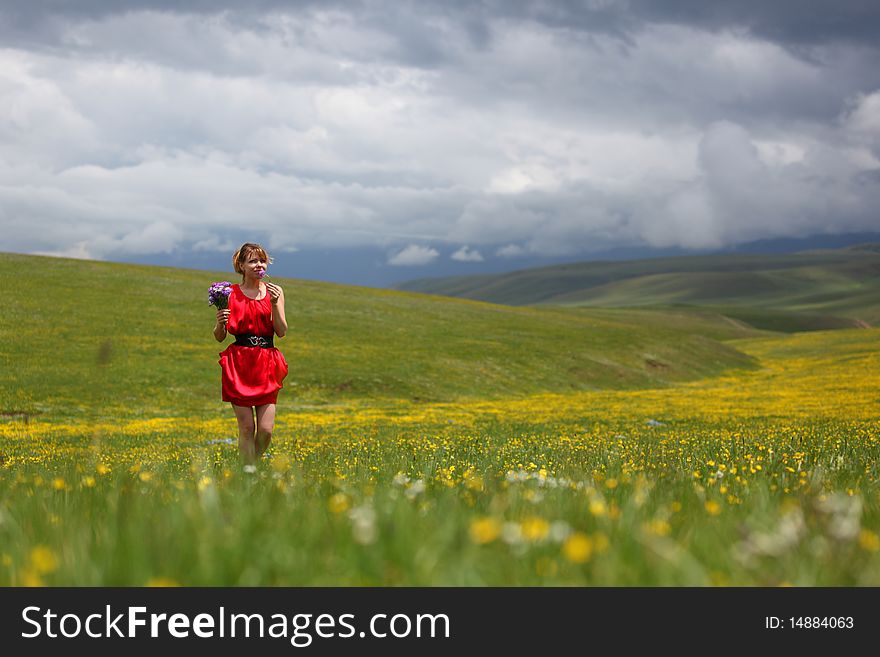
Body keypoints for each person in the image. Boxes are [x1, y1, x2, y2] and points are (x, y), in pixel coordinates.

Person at [214, 243, 289, 466]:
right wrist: (219, 323)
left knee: (266, 430)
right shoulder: (229, 294)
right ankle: (248, 476)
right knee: (247, 428)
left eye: (262, 260)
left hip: (266, 363)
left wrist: (275, 305)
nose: (259, 265)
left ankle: (248, 466)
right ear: (241, 266)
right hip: (239, 364)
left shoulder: (275, 292)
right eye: (253, 261)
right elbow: (220, 336)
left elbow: (282, 331)